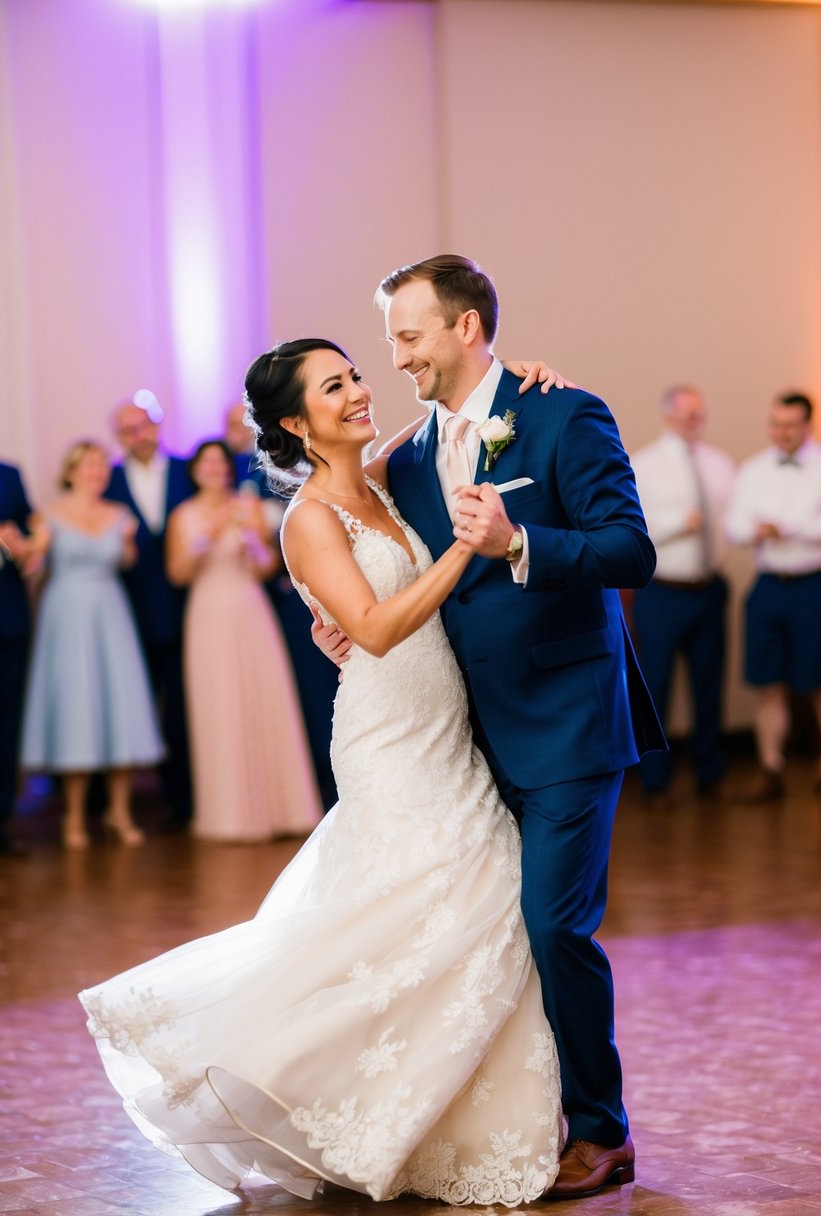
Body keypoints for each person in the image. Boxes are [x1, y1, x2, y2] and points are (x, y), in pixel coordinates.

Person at [79, 343, 569, 1206]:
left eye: (354, 375)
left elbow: (452, 426)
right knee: (445, 901)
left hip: (442, 725)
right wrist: (463, 550)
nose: (358, 391)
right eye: (334, 386)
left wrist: (514, 385)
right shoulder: (306, 517)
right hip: (386, 734)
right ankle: (300, 1080)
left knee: (451, 915)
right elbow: (374, 629)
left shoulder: (377, 479)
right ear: (296, 424)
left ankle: (427, 1116)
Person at [360, 254, 664, 1199]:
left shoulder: (563, 413)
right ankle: (505, 1115)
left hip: (570, 721)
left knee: (553, 926)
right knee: (483, 934)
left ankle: (602, 1130)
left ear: (464, 328)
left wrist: (521, 542)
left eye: (408, 335)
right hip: (467, 733)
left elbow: (630, 548)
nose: (397, 355)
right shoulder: (407, 459)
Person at [165, 439, 321, 841]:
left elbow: (267, 567)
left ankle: (283, 810)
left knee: (263, 698)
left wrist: (253, 540)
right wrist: (209, 533)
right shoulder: (184, 514)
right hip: (208, 613)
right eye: (206, 463)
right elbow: (178, 574)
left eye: (220, 462)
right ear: (195, 471)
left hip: (250, 609)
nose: (214, 469)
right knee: (220, 705)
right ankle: (228, 814)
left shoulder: (249, 505)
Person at [20, 441, 164, 848]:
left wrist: (131, 544)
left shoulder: (119, 515)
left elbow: (128, 564)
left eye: (102, 465)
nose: (97, 472)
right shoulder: (47, 515)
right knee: (75, 709)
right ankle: (74, 816)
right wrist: (32, 550)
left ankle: (119, 811)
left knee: (119, 706)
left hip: (110, 614)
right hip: (64, 617)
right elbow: (33, 568)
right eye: (88, 465)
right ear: (70, 471)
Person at [224, 399, 340, 807]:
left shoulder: (317, 463)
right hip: (285, 599)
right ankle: (318, 786)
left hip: (333, 589)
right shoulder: (245, 477)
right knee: (306, 695)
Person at [630, 385, 736, 806]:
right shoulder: (644, 464)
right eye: (689, 416)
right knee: (656, 684)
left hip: (709, 589)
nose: (696, 423)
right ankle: (655, 779)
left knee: (710, 684)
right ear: (669, 416)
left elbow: (734, 518)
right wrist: (677, 522)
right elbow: (633, 529)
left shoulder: (719, 464)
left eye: (701, 415)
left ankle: (710, 771)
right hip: (663, 591)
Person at [725, 391, 821, 803]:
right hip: (768, 586)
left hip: (813, 583)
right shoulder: (754, 470)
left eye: (790, 425)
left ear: (807, 425)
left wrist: (791, 528)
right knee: (768, 682)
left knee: (818, 682)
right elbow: (733, 527)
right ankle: (770, 769)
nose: (781, 433)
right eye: (776, 424)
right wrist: (755, 531)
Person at [107, 400, 195, 829]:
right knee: (141, 704)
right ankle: (153, 799)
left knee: (185, 704)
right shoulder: (107, 481)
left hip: (189, 611)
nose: (135, 436)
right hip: (131, 615)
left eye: (141, 426)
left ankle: (188, 800)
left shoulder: (187, 471)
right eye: (125, 431)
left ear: (157, 425)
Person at [0, 459, 33, 856]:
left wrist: (17, 541)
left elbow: (26, 529)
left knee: (5, 722)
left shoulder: (7, 474)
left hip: (6, 616)